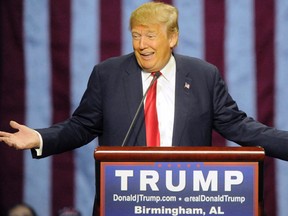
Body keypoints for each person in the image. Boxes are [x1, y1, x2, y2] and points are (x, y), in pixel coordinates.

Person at [0, 1, 288, 215]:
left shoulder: (203, 76)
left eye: (150, 36)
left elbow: (239, 126)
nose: (142, 44)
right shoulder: (108, 74)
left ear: (172, 38)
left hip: (186, 204)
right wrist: (39, 138)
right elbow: (81, 126)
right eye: (136, 35)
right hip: (123, 202)